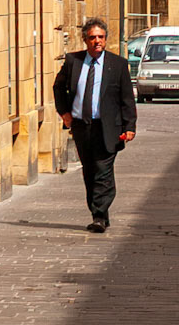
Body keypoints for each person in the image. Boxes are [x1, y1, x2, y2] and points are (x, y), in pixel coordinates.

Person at [53, 17, 137, 232]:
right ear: (85, 40)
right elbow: (58, 87)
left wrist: (130, 126)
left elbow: (126, 97)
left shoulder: (117, 64)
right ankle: (100, 214)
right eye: (92, 38)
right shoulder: (74, 61)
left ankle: (99, 214)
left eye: (100, 37)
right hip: (82, 126)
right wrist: (64, 113)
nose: (97, 41)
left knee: (103, 170)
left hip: (108, 127)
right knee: (89, 171)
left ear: (106, 39)